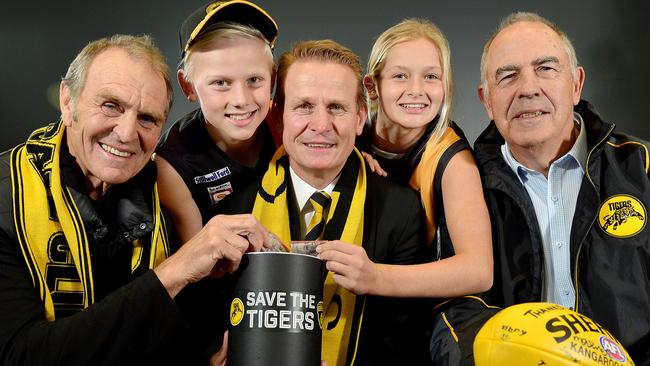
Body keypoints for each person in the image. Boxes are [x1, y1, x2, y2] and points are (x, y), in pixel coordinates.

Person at [0, 34, 272, 365]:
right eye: (111, 105)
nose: (127, 133)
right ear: (68, 102)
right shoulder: (6, 196)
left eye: (147, 118)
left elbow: (177, 331)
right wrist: (176, 269)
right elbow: (21, 356)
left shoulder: (163, 190)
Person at [229, 39, 431, 365]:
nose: (321, 126)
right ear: (278, 117)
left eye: (336, 107)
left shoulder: (401, 210)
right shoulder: (236, 208)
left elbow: (405, 342)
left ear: (360, 117)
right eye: (304, 106)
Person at [474, 12, 650, 363]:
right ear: (487, 100)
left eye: (546, 69)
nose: (527, 88)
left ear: (576, 84)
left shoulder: (642, 169)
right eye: (508, 75)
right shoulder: (464, 187)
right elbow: (454, 311)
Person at [320, 18, 492, 299]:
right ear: (372, 86)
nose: (416, 90)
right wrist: (347, 154)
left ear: (445, 85)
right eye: (400, 76)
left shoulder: (453, 159)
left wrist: (376, 277)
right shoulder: (349, 135)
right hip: (344, 298)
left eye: (431, 77)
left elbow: (479, 270)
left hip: (419, 311)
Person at [156, 0, 279, 245]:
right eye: (221, 83)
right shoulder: (174, 163)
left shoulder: (289, 124)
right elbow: (196, 264)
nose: (241, 100)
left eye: (254, 79)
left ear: (273, 79)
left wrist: (357, 156)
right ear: (187, 86)